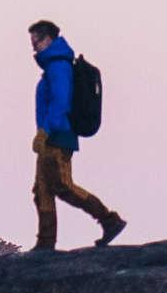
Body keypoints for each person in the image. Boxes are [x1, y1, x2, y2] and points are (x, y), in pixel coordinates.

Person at [26, 20, 127, 251]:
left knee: (62, 185)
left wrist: (45, 131)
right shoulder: (53, 66)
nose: (34, 47)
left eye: (37, 40)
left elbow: (60, 102)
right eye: (32, 42)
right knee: (42, 189)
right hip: (49, 137)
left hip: (58, 136)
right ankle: (45, 243)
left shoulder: (58, 65)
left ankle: (109, 220)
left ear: (49, 39)